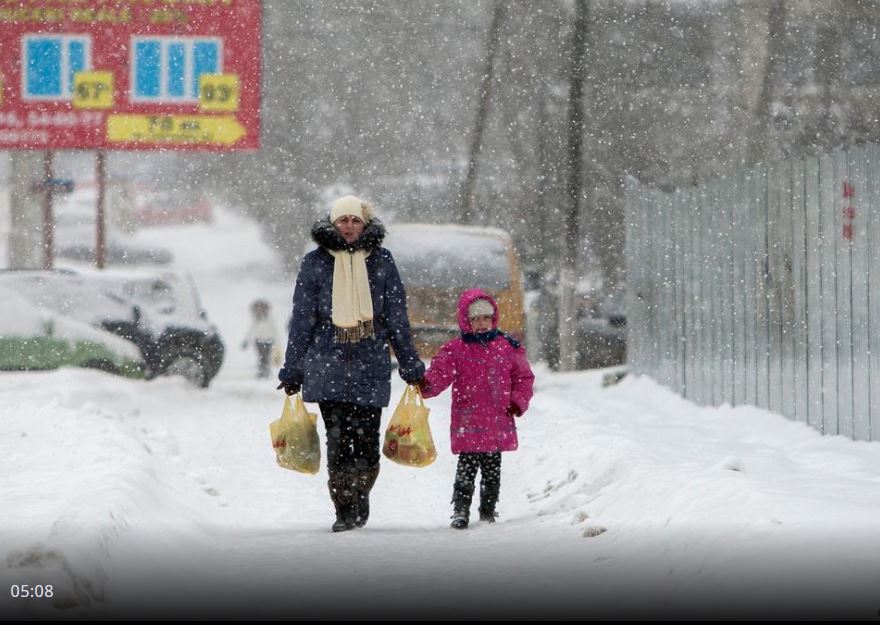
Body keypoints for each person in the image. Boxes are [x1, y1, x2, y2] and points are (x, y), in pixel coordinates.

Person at [277, 194, 425, 533]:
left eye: (354, 220)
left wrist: (410, 364)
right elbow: (302, 318)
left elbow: (396, 318)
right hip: (326, 364)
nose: (348, 227)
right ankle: (344, 508)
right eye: (342, 220)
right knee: (338, 441)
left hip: (370, 363)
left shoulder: (382, 261)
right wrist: (293, 367)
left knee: (368, 442)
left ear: (364, 224)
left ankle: (361, 494)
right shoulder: (315, 262)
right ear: (332, 223)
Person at [418, 288, 535, 529]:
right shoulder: (456, 350)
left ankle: (488, 510)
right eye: (475, 319)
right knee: (467, 468)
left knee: (492, 470)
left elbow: (524, 378)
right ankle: (460, 510)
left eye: (485, 318)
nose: (481, 324)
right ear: (465, 320)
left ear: (493, 319)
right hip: (468, 420)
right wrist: (425, 384)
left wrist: (517, 401)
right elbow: (440, 374)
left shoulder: (507, 347)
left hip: (497, 419)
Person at [241, 299, 280, 379]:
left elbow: (275, 331)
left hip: (268, 341)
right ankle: (262, 371)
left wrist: (277, 343)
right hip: (259, 341)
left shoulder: (270, 319)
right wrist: (246, 340)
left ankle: (265, 372)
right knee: (261, 356)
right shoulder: (256, 319)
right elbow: (251, 330)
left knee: (265, 356)